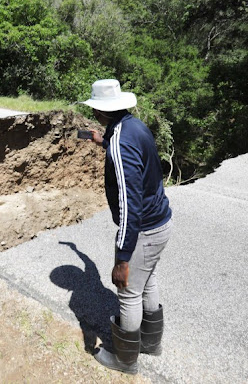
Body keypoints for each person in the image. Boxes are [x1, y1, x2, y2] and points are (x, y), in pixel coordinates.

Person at [80, 79, 173, 375]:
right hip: (160, 223)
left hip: (142, 228)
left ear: (100, 111)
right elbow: (133, 157)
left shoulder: (120, 142)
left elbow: (129, 203)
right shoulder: (134, 127)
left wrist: (122, 257)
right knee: (148, 280)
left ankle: (125, 360)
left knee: (129, 291)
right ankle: (151, 344)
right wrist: (102, 142)